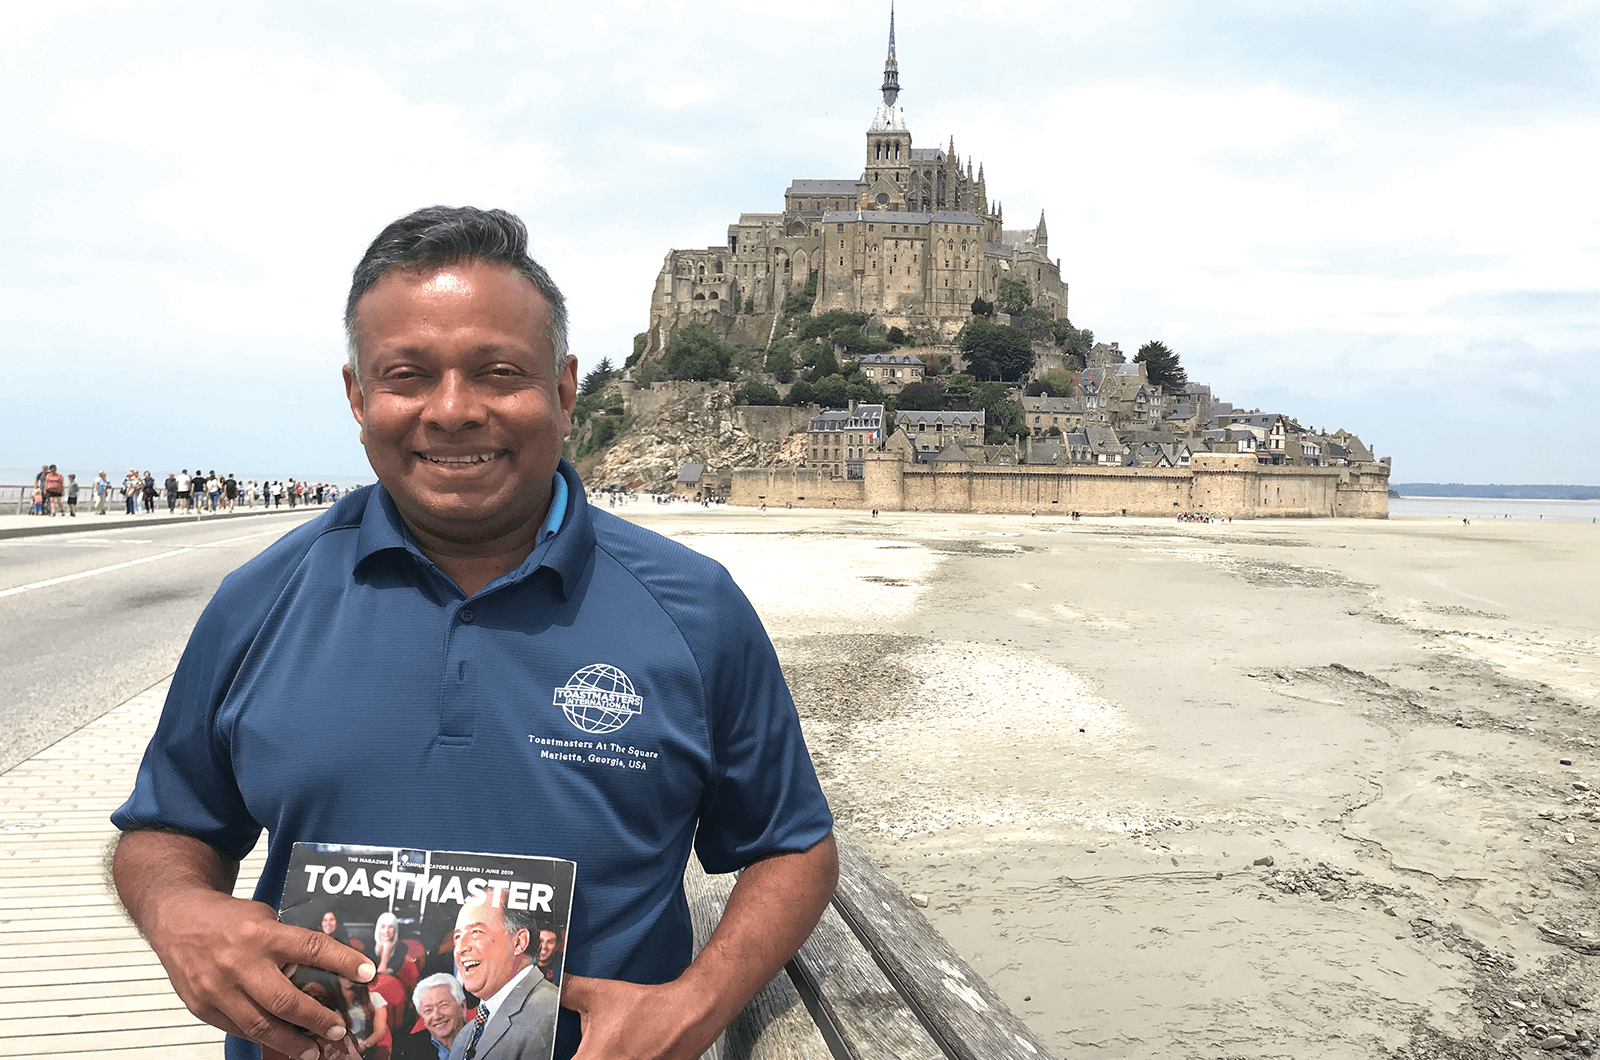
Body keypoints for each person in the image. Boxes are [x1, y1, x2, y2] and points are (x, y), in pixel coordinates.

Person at [109, 205, 836, 1060]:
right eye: (408, 375)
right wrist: (178, 914)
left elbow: (792, 848)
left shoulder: (693, 610)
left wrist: (697, 1002)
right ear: (358, 395)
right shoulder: (259, 600)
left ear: (564, 391)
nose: (452, 411)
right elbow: (166, 829)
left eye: (498, 373)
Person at [449, 892, 558, 1060]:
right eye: (457, 936)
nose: (460, 948)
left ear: (519, 942)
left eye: (476, 932)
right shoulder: (465, 1036)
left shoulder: (550, 1018)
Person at [411, 974, 468, 1060]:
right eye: (428, 1010)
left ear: (463, 1007)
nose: (437, 1016)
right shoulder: (409, 1048)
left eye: (443, 1005)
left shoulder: (484, 1040)